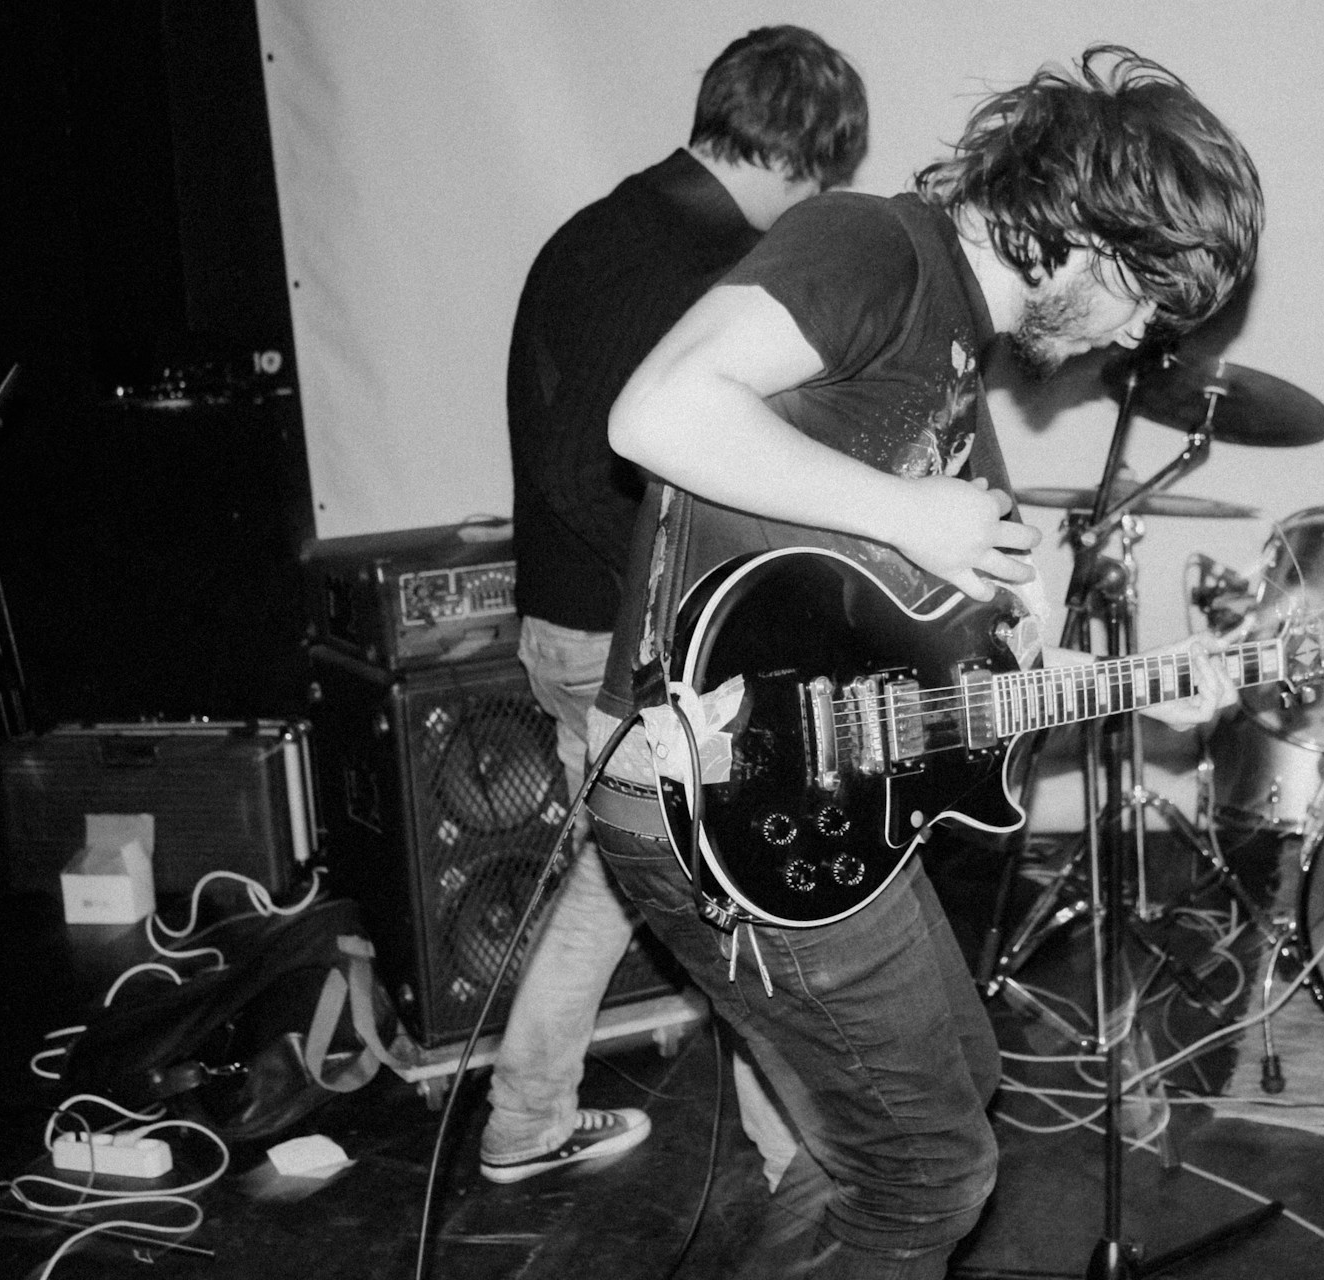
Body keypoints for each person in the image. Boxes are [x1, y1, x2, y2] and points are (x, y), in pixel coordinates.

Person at [585, 46, 1263, 1279]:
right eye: (1146, 304)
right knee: (929, 1168)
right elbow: (656, 414)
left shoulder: (955, 351)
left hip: (801, 791)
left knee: (957, 1085)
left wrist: (1132, 676)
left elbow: (940, 666)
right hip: (711, 790)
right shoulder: (871, 247)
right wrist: (914, 515)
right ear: (1088, 241)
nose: (1137, 340)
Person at [483, 26, 868, 1186]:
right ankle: (805, 1160)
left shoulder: (603, 229)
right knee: (732, 907)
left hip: (575, 626)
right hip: (624, 644)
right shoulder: (675, 262)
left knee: (618, 888)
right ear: (807, 159)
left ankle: (523, 1117)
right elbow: (577, 462)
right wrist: (701, 612)